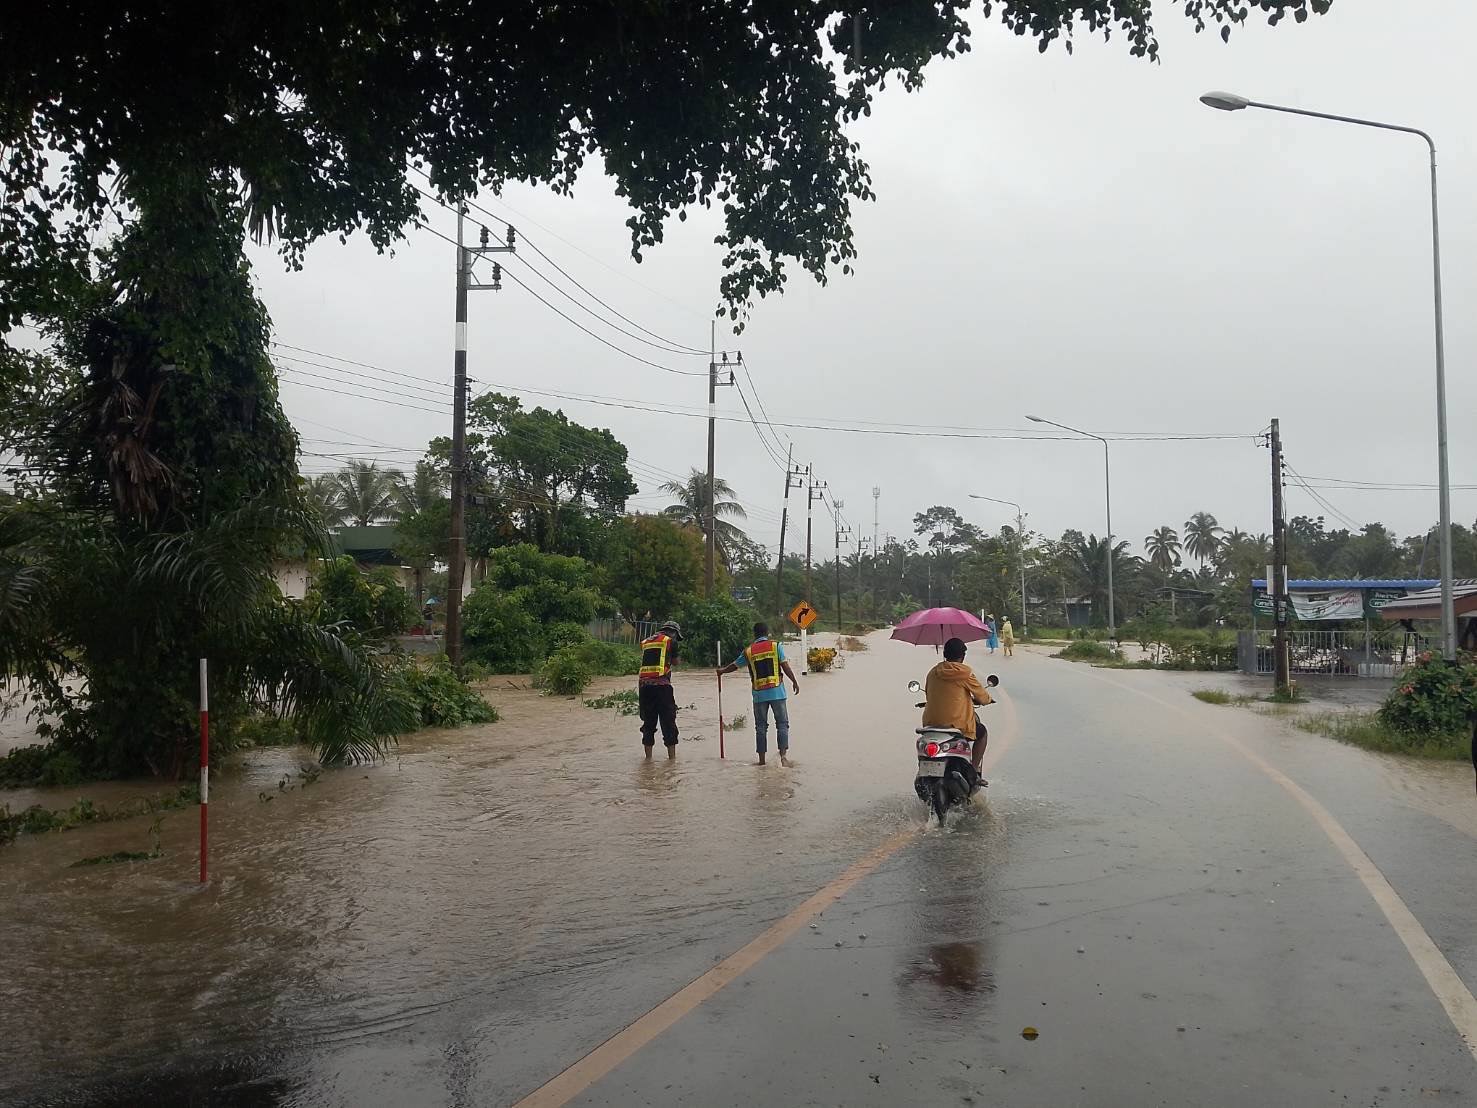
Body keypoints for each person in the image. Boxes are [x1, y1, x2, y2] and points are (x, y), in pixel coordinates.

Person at [717, 622, 801, 766]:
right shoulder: (775, 646)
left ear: (754, 634)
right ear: (767, 633)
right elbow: (785, 666)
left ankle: (761, 762)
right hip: (777, 692)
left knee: (761, 727)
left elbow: (735, 666)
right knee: (782, 724)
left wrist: (722, 671)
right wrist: (794, 681)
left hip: (759, 695)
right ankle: (783, 758)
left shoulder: (749, 651)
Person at [921, 637, 993, 774]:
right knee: (982, 733)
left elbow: (929, 693)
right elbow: (982, 697)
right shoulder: (964, 673)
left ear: (945, 654)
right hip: (957, 724)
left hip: (932, 723)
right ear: (963, 656)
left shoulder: (933, 672)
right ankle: (973, 770)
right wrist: (988, 699)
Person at [637, 620, 683, 758]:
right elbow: (676, 662)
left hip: (644, 687)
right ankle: (672, 760)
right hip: (662, 687)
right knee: (668, 723)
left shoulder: (646, 641)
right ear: (673, 632)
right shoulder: (670, 641)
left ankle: (648, 760)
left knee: (648, 723)